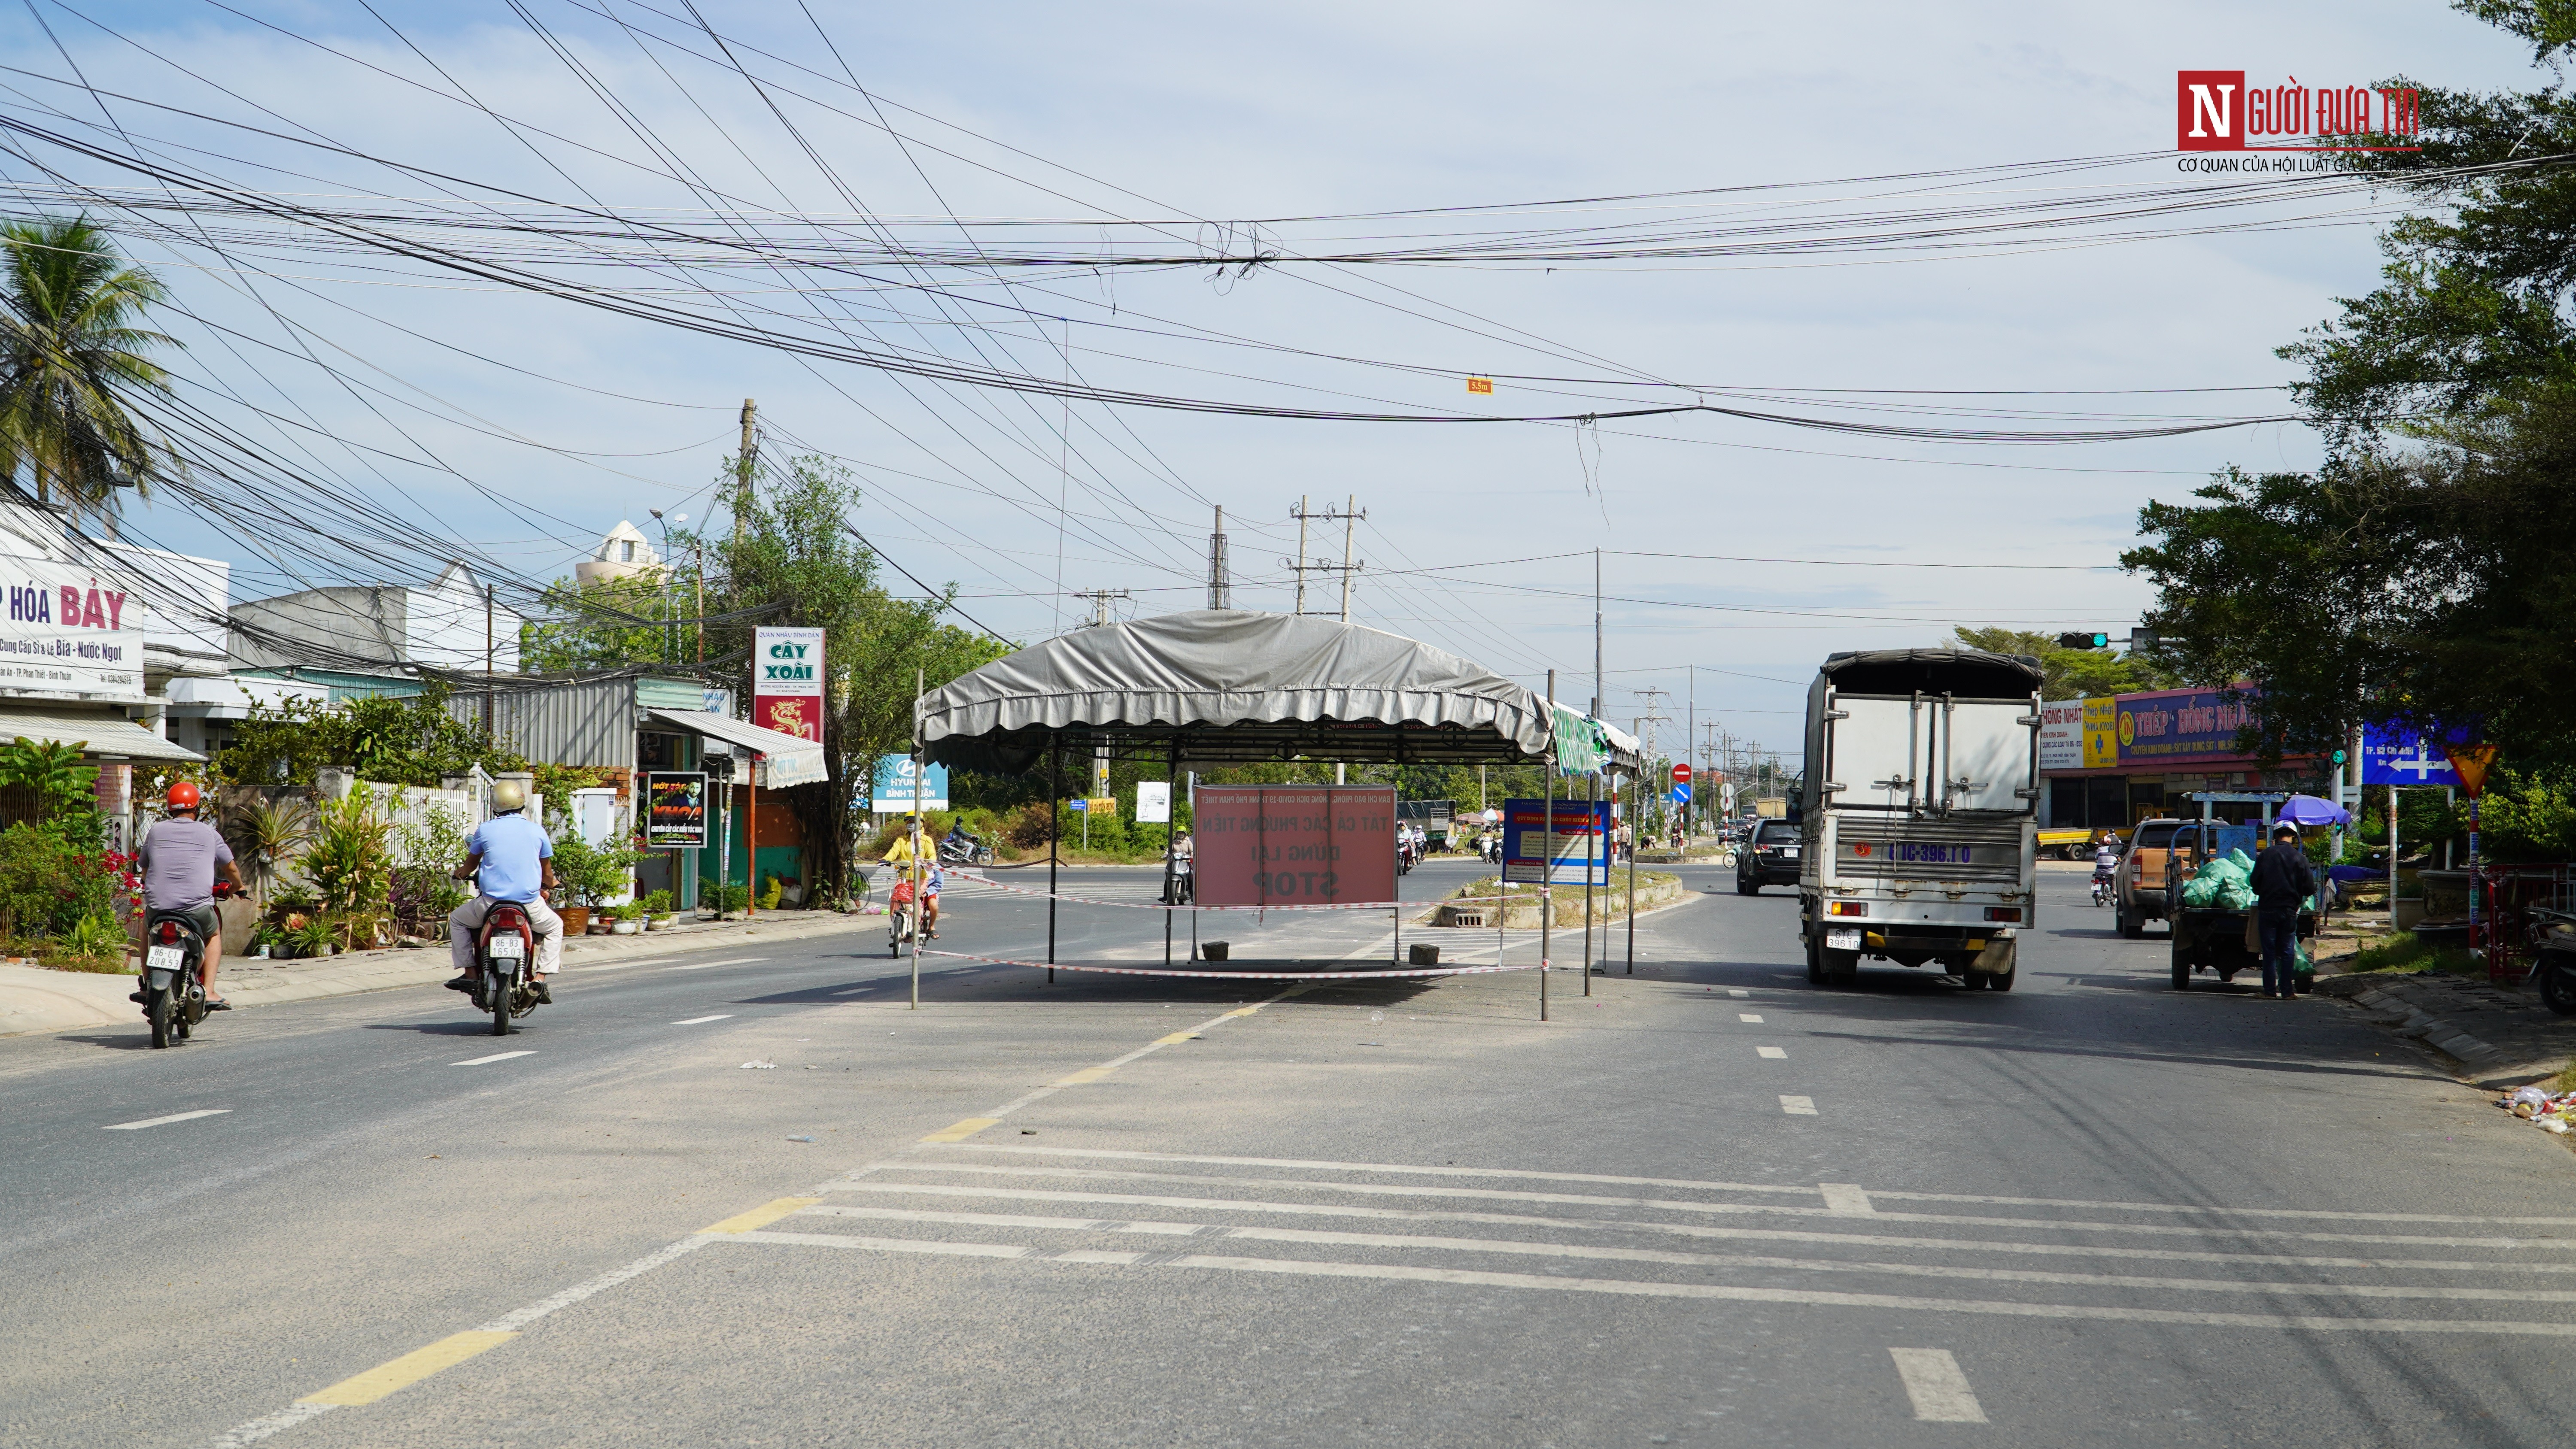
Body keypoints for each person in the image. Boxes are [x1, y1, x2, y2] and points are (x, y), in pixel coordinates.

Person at [446, 779, 564, 1001]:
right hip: (529, 905)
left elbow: (470, 866)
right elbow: (547, 874)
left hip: (490, 904)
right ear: (522, 803)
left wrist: (460, 873)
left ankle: (471, 974)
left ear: (495, 805)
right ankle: (539, 979)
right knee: (556, 926)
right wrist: (553, 883)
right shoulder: (537, 831)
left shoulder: (486, 830)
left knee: (458, 920)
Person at [135, 781, 247, 1009]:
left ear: (170, 809)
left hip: (159, 908)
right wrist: (238, 887)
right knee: (213, 935)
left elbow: (144, 869)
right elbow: (231, 869)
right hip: (196, 910)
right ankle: (212, 991)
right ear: (196, 808)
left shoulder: (156, 831)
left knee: (145, 930)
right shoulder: (209, 833)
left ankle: (147, 985)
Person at [2249, 820, 2318, 999]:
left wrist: (2262, 891)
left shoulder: (2266, 855)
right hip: (2289, 910)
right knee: (2287, 951)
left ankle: (2269, 992)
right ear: (2294, 837)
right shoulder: (2300, 858)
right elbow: (2310, 888)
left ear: (2275, 836)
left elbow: (2254, 882)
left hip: (2268, 909)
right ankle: (2287, 992)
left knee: (2269, 952)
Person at [882, 815, 940, 936]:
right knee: (895, 898)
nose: (911, 824)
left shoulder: (926, 840)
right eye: (908, 822)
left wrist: (930, 862)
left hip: (921, 878)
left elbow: (932, 855)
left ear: (922, 823)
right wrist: (885, 859)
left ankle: (915, 926)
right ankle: (895, 923)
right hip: (904, 876)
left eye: (914, 821)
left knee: (915, 900)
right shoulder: (901, 841)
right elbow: (893, 852)